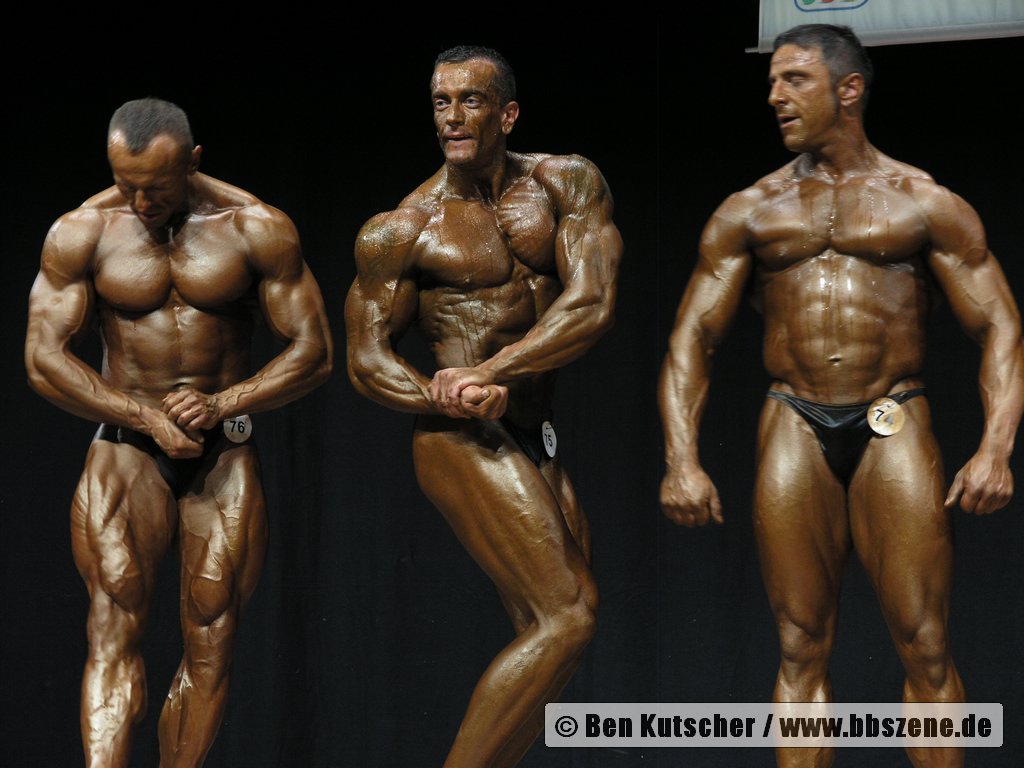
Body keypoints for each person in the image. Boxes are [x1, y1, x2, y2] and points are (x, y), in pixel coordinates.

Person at [658, 24, 1023, 768]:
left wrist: (996, 449)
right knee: (799, 645)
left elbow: (999, 326)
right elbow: (692, 337)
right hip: (795, 414)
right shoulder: (751, 209)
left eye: (794, 79)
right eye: (771, 81)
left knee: (924, 640)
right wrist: (681, 460)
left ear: (848, 89)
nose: (775, 96)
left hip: (890, 411)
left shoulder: (923, 201)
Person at [24, 97, 333, 767]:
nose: (141, 202)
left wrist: (224, 402)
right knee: (111, 625)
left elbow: (314, 352)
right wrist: (144, 416)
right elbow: (43, 358)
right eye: (126, 183)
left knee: (213, 634)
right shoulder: (82, 231)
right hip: (125, 449)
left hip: (223, 451)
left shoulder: (255, 227)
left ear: (192, 162)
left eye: (157, 188)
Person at [345, 45, 622, 767]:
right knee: (568, 614)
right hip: (459, 437)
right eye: (441, 102)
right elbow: (366, 358)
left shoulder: (566, 182)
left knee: (556, 640)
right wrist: (444, 392)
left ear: (508, 113)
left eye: (470, 101)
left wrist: (493, 369)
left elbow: (592, 303)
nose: (453, 117)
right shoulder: (404, 227)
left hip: (533, 430)